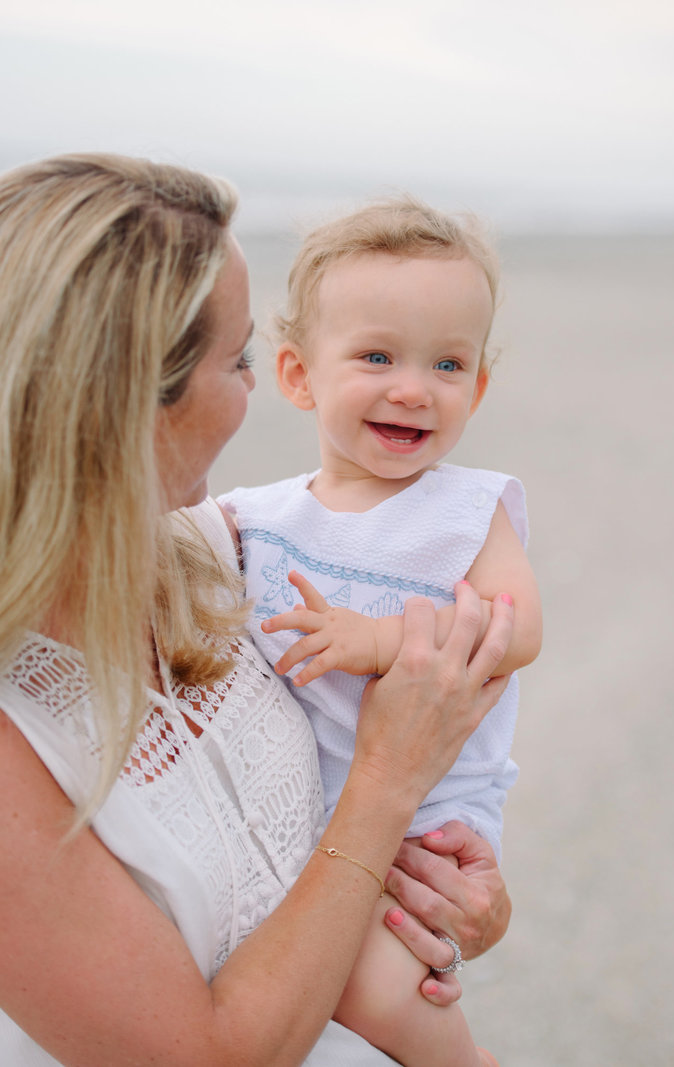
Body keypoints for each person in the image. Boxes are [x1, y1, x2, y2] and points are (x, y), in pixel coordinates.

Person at [0, 155, 514, 1067]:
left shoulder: (220, 561)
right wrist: (388, 780)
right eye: (237, 361)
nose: (259, 386)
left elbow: (315, 866)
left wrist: (452, 898)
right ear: (121, 405)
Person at [219, 196, 542, 1065]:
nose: (413, 387)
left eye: (447, 363)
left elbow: (515, 631)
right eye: (375, 355)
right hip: (298, 804)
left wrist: (382, 642)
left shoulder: (466, 511)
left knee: (378, 981)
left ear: (475, 387)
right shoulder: (262, 516)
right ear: (296, 375)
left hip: (428, 809)